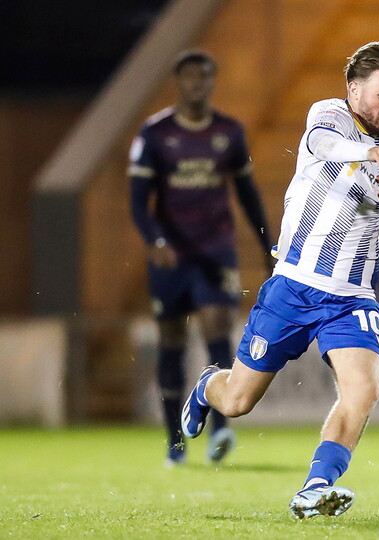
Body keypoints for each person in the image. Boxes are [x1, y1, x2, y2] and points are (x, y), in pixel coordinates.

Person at [180, 37, 379, 519]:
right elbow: (323, 146)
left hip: (350, 297)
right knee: (239, 401)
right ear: (353, 90)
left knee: (364, 392)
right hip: (294, 286)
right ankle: (207, 387)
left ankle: (315, 486)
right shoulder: (329, 115)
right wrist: (370, 154)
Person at [128, 49, 273, 467]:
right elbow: (138, 202)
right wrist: (154, 239)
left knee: (217, 328)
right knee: (171, 343)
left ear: (212, 81)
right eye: (190, 77)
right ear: (178, 81)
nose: (198, 84)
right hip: (171, 255)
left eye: (205, 77)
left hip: (215, 251)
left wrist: (266, 245)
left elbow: (247, 195)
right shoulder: (155, 133)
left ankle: (221, 429)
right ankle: (174, 439)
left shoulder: (229, 131)